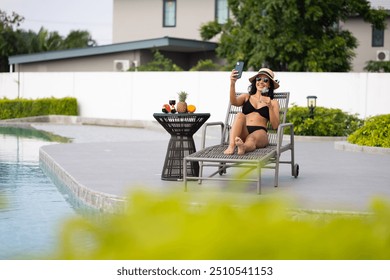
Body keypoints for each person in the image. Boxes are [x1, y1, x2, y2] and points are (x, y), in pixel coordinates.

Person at [223, 67, 280, 155]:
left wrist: (269, 107)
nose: (261, 82)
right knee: (239, 115)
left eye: (265, 80)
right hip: (244, 131)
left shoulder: (273, 102)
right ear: (255, 81)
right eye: (258, 79)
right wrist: (232, 83)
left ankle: (243, 147)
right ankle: (231, 146)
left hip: (260, 132)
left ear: (269, 85)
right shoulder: (247, 97)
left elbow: (275, 126)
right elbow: (233, 102)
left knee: (251, 138)